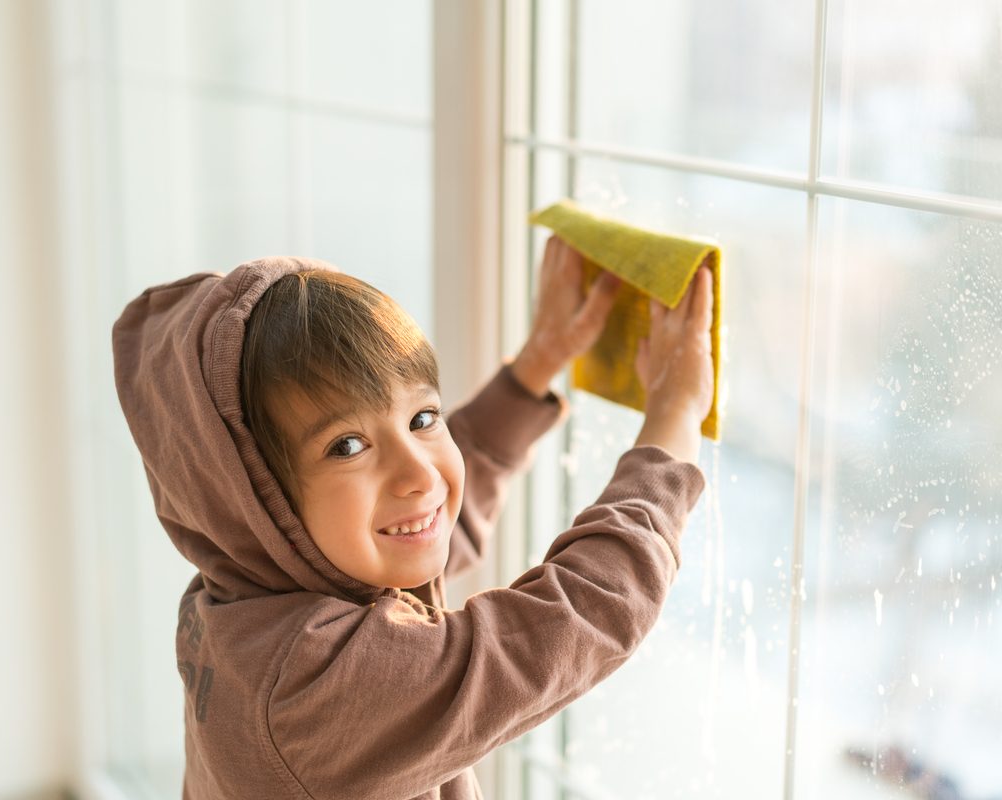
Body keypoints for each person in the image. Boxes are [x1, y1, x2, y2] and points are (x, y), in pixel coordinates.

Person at [112, 236, 714, 800]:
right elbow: (573, 620)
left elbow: (426, 527)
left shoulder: (240, 591)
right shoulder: (312, 687)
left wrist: (538, 362)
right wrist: (675, 416)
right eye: (347, 446)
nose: (420, 476)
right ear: (249, 499)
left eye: (424, 418)